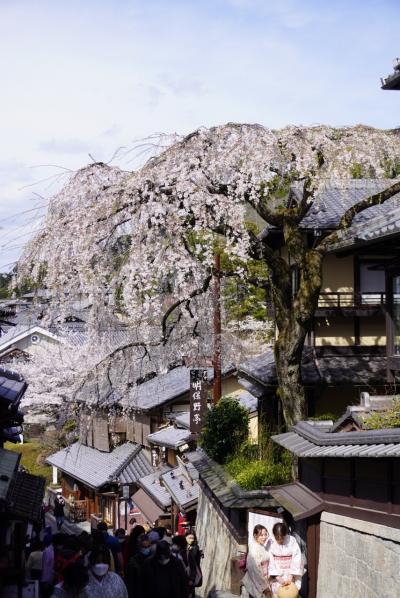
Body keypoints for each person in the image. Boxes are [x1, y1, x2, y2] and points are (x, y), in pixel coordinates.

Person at [268, 522, 302, 598]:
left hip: (290, 572)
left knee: (290, 593)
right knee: (277, 593)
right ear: (274, 535)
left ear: (285, 534)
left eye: (282, 538)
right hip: (277, 573)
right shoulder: (270, 542)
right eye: (277, 539)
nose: (280, 541)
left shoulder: (292, 540)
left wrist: (291, 574)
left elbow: (297, 557)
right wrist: (276, 576)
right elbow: (269, 559)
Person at [241, 524, 271, 598]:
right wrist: (264, 587)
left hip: (263, 579)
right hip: (256, 582)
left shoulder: (261, 546)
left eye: (265, 534)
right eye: (261, 535)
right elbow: (254, 570)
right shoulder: (254, 549)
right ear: (255, 535)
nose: (264, 537)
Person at [125, 533, 152, 598]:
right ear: (139, 546)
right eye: (144, 547)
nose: (146, 549)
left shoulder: (153, 560)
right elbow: (130, 583)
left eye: (148, 547)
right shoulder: (133, 562)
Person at [185, 531, 203, 597]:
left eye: (193, 538)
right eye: (189, 538)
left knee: (190, 592)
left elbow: (193, 565)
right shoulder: (187, 547)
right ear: (185, 537)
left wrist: (192, 579)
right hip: (188, 574)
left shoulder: (194, 548)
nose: (191, 540)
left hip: (191, 574)